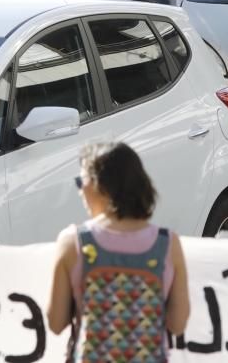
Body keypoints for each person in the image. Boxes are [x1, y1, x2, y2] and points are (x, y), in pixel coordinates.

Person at [47, 143, 190, 363]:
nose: (79, 190)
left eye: (81, 181)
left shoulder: (72, 242)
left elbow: (56, 323)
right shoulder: (168, 244)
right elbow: (178, 323)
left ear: (100, 186)